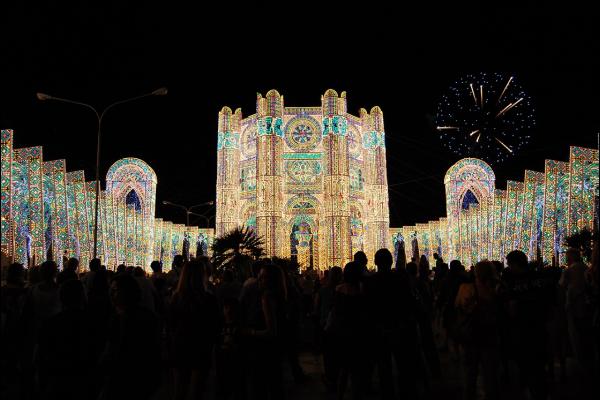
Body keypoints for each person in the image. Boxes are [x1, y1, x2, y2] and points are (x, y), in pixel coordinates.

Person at [99, 274, 161, 400]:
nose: (111, 294)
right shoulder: (147, 315)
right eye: (111, 290)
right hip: (140, 377)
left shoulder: (120, 319)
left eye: (115, 290)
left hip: (127, 376)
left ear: (126, 293)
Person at [368, 249, 419, 400]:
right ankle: (406, 393)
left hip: (380, 330)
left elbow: (369, 307)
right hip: (400, 328)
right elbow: (409, 302)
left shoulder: (371, 282)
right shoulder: (401, 279)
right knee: (403, 365)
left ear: (376, 262)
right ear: (391, 261)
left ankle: (388, 393)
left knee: (384, 368)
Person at [168, 259, 220, 400]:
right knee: (197, 390)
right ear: (202, 275)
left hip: (180, 345)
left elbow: (170, 323)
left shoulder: (176, 298)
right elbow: (215, 325)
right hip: (201, 347)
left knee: (179, 389)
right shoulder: (209, 299)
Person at [501, 250, 549, 400]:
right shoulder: (538, 277)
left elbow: (511, 307)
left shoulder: (512, 282)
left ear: (515, 264)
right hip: (539, 327)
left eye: (509, 264)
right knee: (538, 367)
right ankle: (540, 392)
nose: (508, 267)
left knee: (525, 366)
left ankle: (530, 391)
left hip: (522, 329)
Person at [37, 279, 94, 400]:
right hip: (83, 379)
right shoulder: (92, 323)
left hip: (57, 378)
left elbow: (41, 355)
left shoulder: (52, 323)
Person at [455, 261, 501, 400]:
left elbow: (457, 306)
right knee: (490, 374)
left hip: (471, 335)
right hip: (490, 335)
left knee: (470, 374)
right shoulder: (497, 288)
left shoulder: (465, 288)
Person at [243, 263, 286, 399]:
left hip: (263, 349)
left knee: (259, 386)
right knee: (274, 385)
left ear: (271, 280)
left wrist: (250, 333)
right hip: (275, 349)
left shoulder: (266, 298)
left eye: (263, 278)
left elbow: (271, 330)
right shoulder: (280, 295)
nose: (259, 280)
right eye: (259, 277)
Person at [329, 261, 369, 399]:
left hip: (342, 333)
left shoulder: (338, 290)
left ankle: (340, 394)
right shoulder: (362, 291)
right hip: (358, 334)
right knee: (357, 370)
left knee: (344, 369)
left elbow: (334, 312)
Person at [560, 248, 594, 381]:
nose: (566, 259)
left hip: (573, 307)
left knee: (576, 337)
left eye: (567, 257)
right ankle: (589, 364)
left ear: (571, 257)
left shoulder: (569, 270)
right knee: (586, 336)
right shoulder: (586, 268)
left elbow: (562, 287)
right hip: (586, 306)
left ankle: (582, 367)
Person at [316, 266, 343, 391]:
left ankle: (330, 378)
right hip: (339, 327)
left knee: (328, 355)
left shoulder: (323, 290)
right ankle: (336, 378)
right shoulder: (343, 291)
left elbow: (317, 307)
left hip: (325, 325)